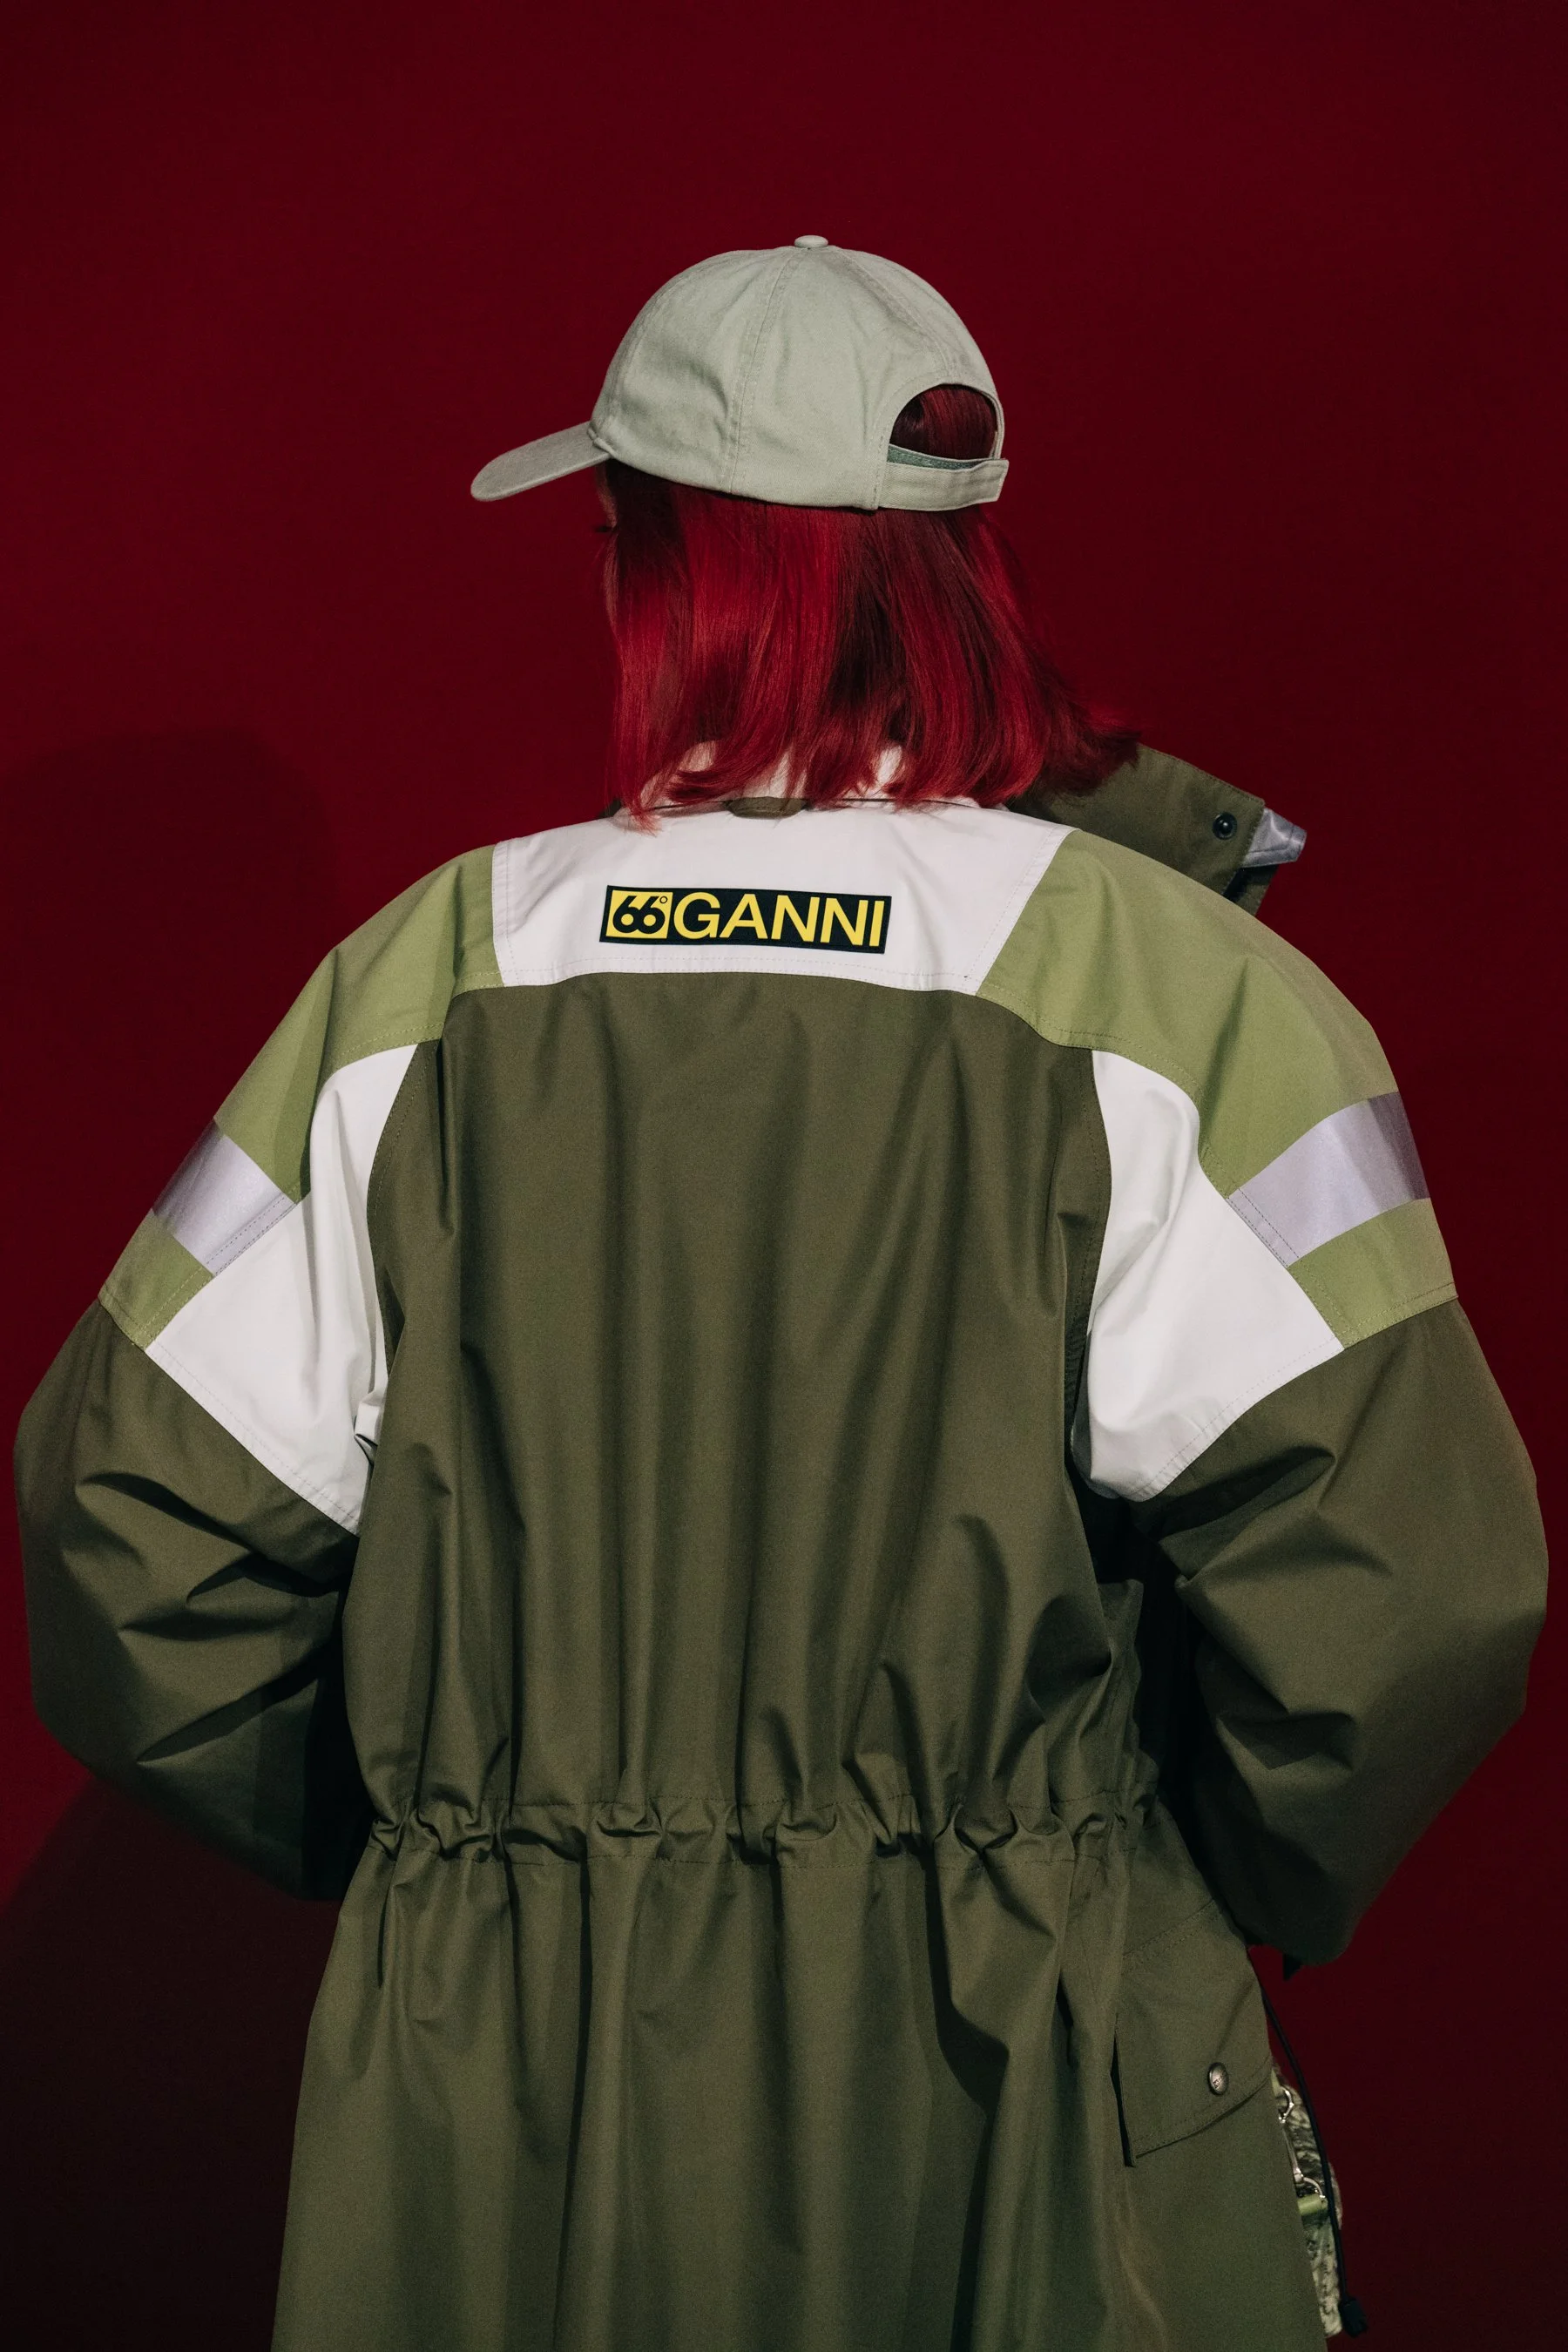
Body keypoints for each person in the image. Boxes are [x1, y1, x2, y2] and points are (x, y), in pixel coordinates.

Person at [15, 239, 1546, 2352]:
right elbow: (1414, 1593)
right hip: (1025, 2062)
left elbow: (130, 1539)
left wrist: (475, 1843)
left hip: (503, 2097)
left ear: (656, 567)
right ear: (963, 565)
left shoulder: (412, 996)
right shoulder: (1191, 1006)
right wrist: (1138, 1876)